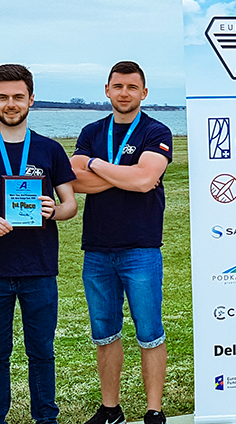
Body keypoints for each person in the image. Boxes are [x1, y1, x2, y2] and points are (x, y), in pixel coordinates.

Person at [0, 64, 77, 424]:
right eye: (3, 97)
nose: (11, 104)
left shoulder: (50, 149)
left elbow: (71, 205)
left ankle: (46, 418)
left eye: (18, 97)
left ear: (31, 99)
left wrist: (54, 210)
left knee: (42, 352)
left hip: (39, 268)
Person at [69, 61, 173, 424]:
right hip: (97, 249)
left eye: (131, 87)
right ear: (107, 90)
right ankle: (111, 409)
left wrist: (97, 165)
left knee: (150, 332)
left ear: (143, 92)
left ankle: (154, 410)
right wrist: (127, 175)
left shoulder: (155, 130)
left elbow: (145, 181)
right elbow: (74, 182)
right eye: (118, 86)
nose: (124, 93)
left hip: (141, 248)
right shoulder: (92, 131)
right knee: (104, 333)